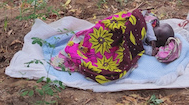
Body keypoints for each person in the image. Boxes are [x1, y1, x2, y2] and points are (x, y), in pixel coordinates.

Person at [49, 9, 180, 84]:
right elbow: (136, 17)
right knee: (99, 33)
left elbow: (136, 47)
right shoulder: (149, 22)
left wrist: (149, 47)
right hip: (113, 29)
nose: (154, 32)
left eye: (157, 35)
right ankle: (86, 43)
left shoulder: (148, 42)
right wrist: (149, 38)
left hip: (119, 38)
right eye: (157, 30)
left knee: (105, 51)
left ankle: (86, 47)